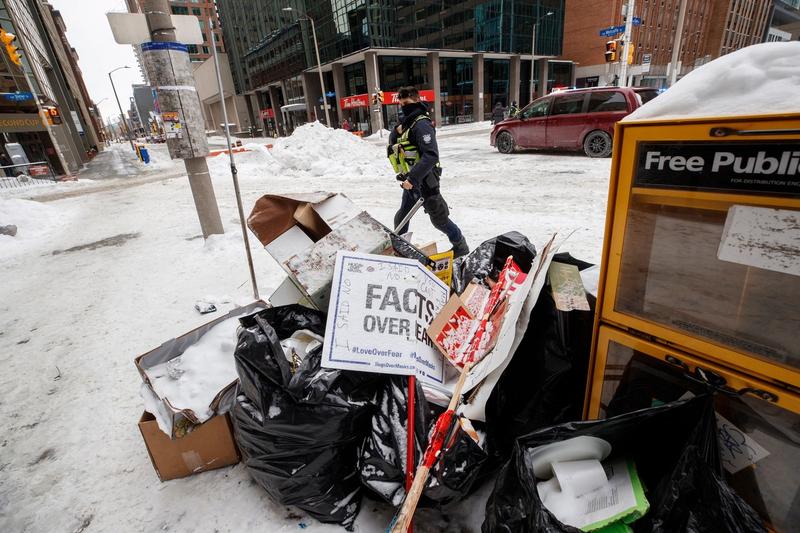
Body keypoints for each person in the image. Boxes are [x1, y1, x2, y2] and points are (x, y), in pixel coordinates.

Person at [388, 86, 469, 257]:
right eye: (402, 104)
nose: (404, 107)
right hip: (411, 182)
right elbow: (393, 142)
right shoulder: (407, 124)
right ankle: (400, 249)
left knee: (440, 220)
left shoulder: (422, 125)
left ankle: (460, 245)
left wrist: (413, 178)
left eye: (407, 103)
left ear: (417, 100)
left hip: (425, 182)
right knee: (402, 217)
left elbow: (431, 155)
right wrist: (396, 131)